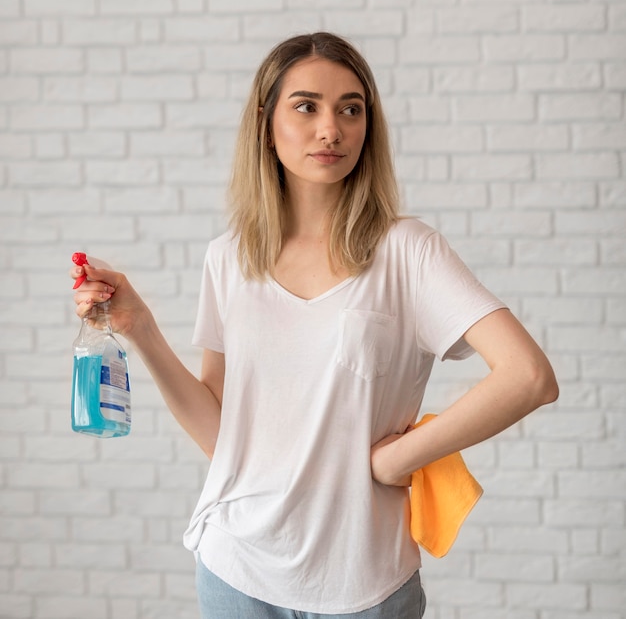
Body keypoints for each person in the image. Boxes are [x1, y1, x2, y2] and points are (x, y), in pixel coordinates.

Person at [70, 32, 559, 619]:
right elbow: (221, 438)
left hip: (364, 584)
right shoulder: (230, 257)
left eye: (350, 109)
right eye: (306, 106)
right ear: (265, 121)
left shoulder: (408, 252)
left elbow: (529, 376)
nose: (331, 129)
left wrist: (397, 460)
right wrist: (141, 327)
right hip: (236, 571)